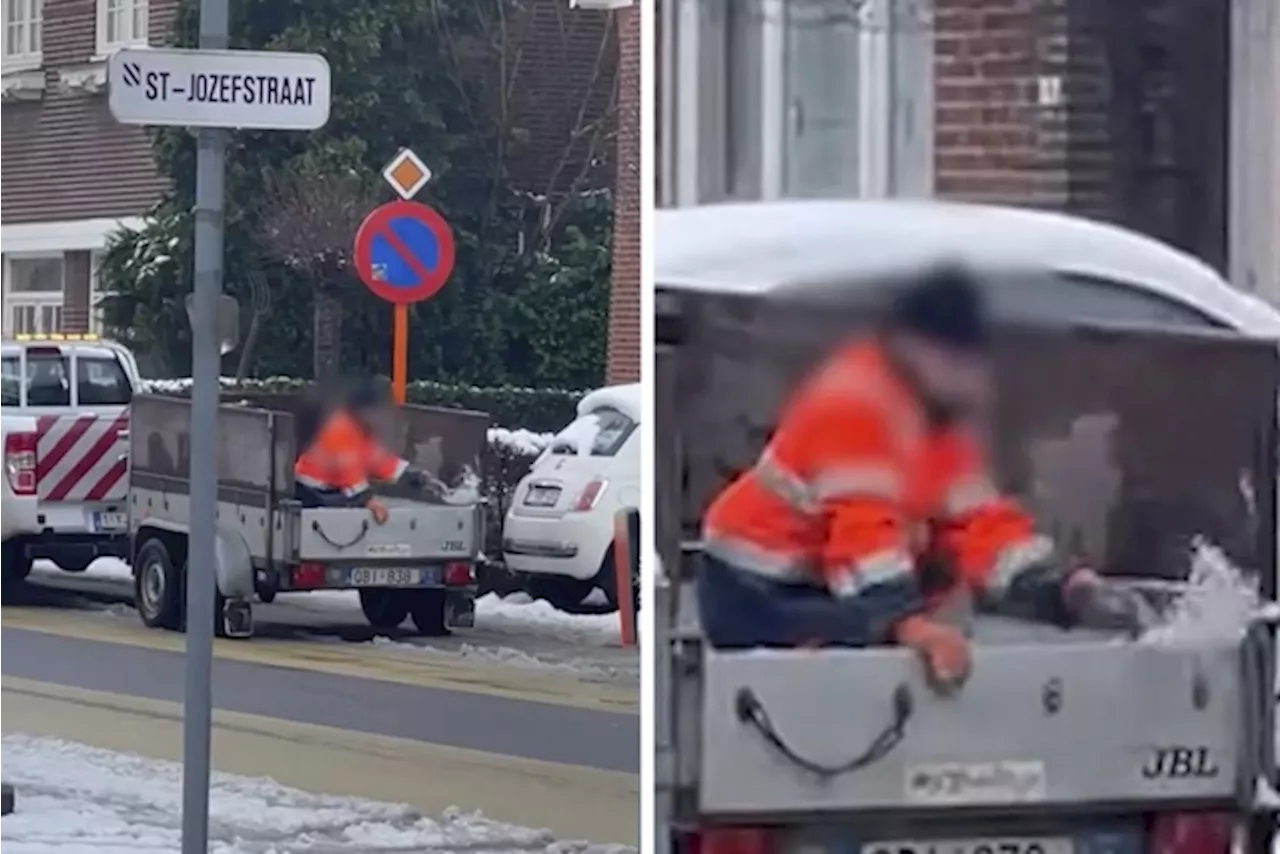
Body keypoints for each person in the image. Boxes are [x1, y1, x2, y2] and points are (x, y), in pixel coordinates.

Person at [697, 265, 1155, 692]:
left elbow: (981, 525)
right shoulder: (854, 406)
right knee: (869, 666)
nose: (981, 378)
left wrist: (1066, 589)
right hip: (757, 595)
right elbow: (865, 543)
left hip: (821, 590)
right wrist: (908, 628)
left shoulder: (936, 420)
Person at [294, 378, 441, 523]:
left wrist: (414, 475)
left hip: (330, 491)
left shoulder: (359, 430)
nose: (381, 416)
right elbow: (349, 472)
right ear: (364, 410)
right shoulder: (340, 428)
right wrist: (368, 501)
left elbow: (378, 460)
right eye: (378, 410)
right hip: (312, 494)